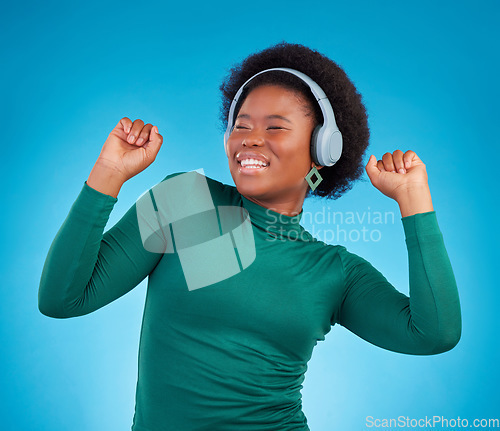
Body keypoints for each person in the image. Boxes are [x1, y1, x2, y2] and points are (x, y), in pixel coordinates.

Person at [38, 42, 461, 431]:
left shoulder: (335, 271)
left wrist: (414, 202)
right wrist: (108, 176)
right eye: (240, 125)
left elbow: (434, 333)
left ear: (323, 148)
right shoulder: (188, 202)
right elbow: (64, 299)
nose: (250, 140)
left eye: (276, 128)